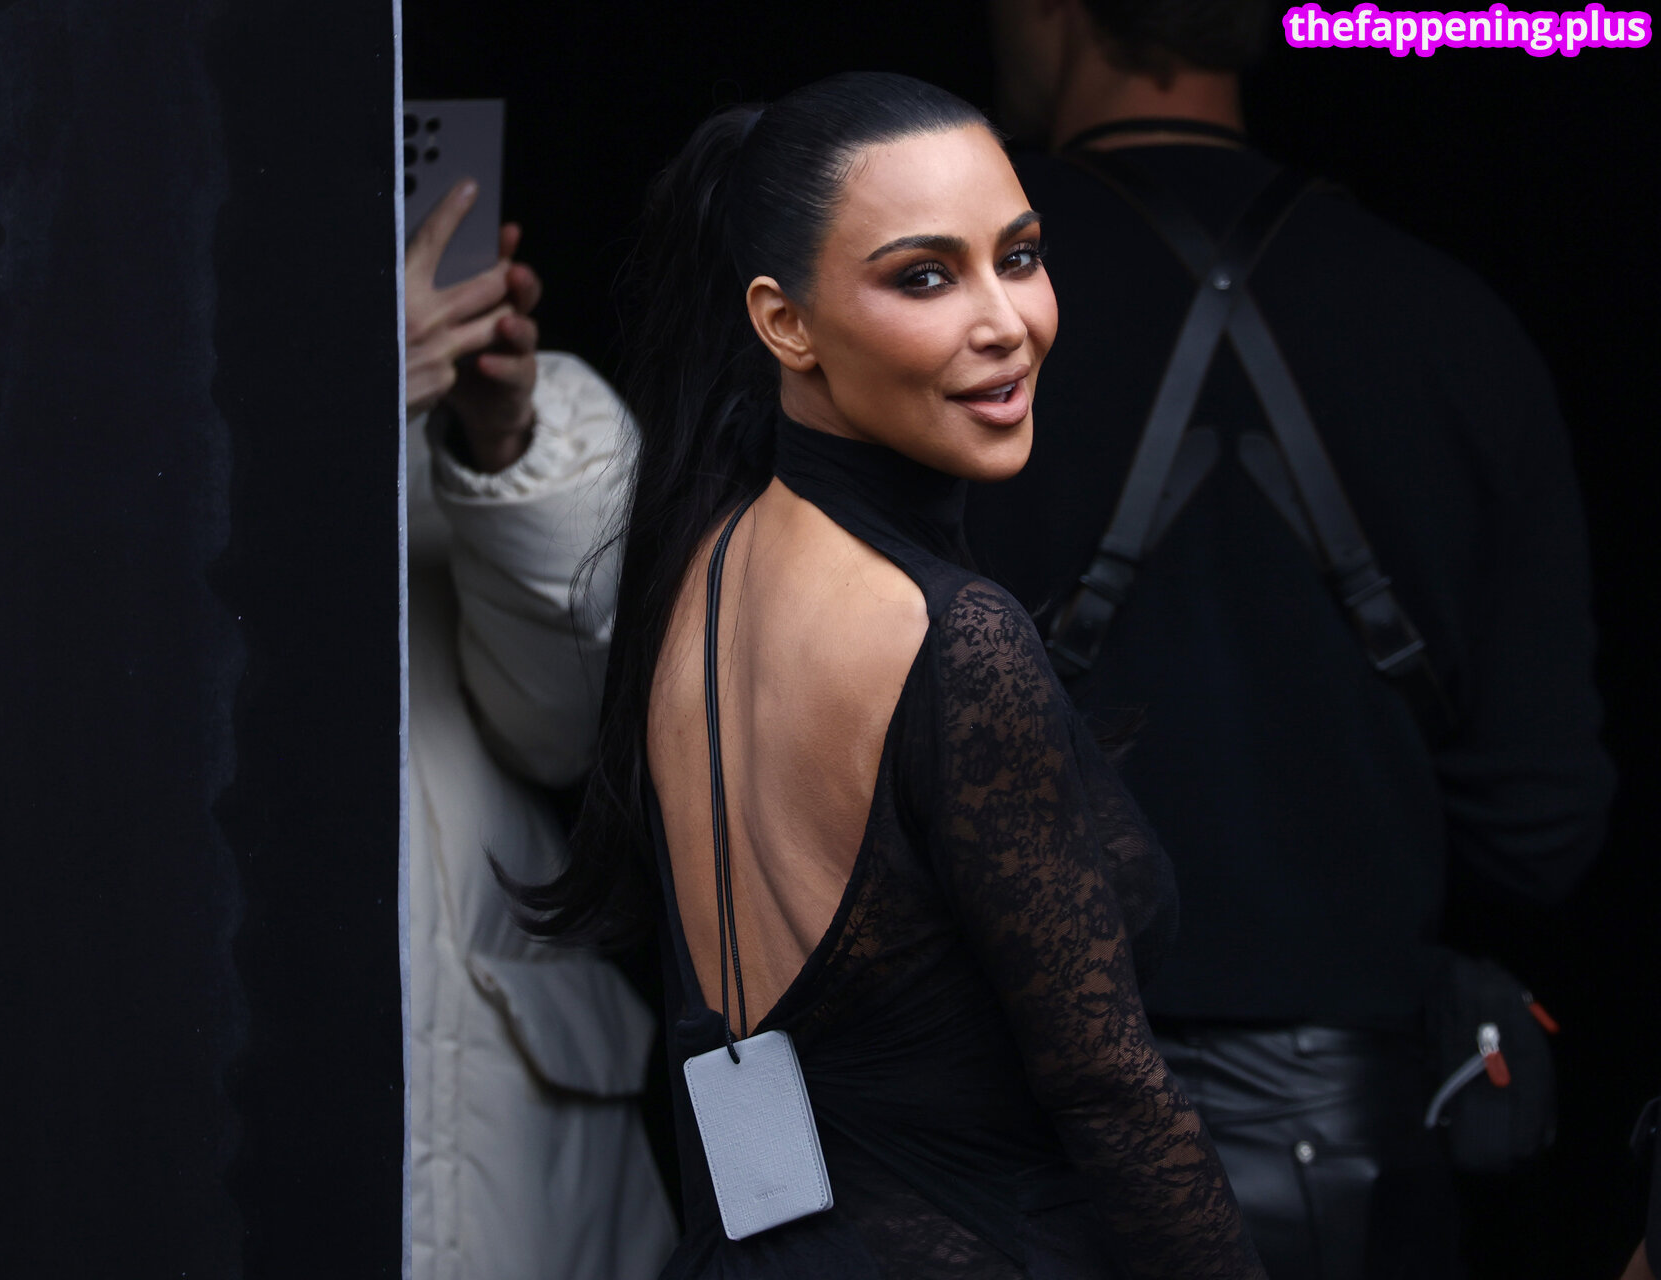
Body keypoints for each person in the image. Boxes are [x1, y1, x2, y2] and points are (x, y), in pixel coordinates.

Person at [511, 72, 1266, 1278]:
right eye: (925, 276)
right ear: (785, 323)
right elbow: (1114, 1096)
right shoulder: (950, 637)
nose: (1005, 320)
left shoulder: (705, 562)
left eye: (1019, 256)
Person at [965, 2, 1617, 1276]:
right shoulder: (1453, 321)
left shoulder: (932, 320)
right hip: (1349, 1157)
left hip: (1006, 1134)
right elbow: (1546, 829)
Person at [404, 181, 676, 1279]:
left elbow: (564, 731)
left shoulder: (545, 426)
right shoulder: (83, 380)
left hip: (493, 1113)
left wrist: (499, 439)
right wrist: (331, 393)